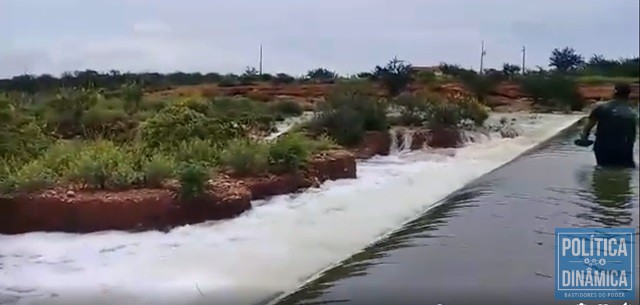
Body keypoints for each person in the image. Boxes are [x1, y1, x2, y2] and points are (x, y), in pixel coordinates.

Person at [580, 83, 638, 168]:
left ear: (614, 93)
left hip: (603, 147)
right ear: (628, 94)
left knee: (603, 169)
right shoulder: (634, 110)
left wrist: (584, 138)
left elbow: (588, 126)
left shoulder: (602, 107)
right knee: (625, 172)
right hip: (625, 148)